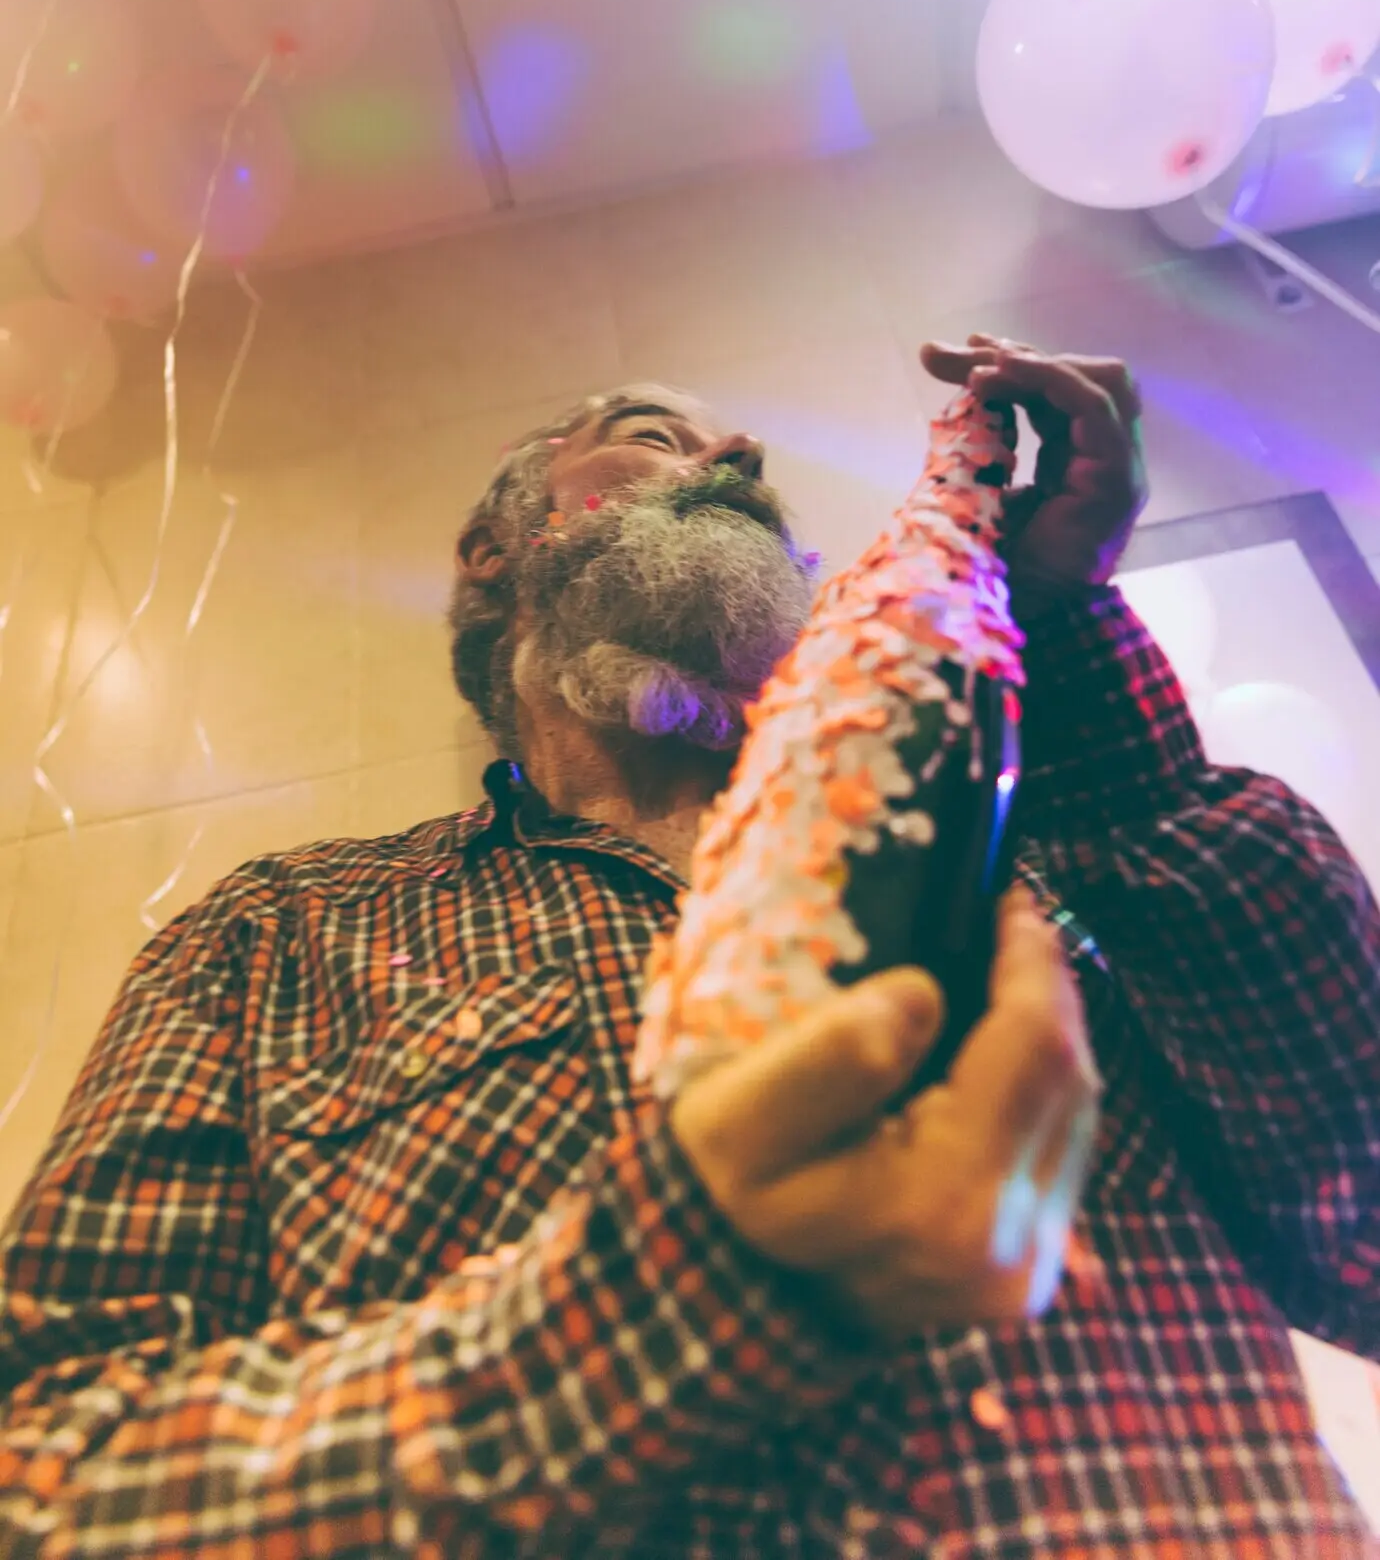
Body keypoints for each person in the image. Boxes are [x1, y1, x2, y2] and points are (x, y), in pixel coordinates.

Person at [0, 334, 1375, 1556]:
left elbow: (1360, 1244)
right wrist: (661, 1299)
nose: (741, 453)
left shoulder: (1065, 861)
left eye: (746, 461)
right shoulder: (274, 936)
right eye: (658, 434)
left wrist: (1059, 628)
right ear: (502, 546)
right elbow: (44, 1480)